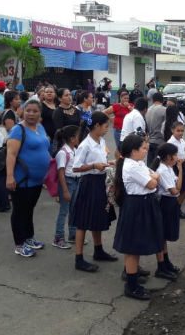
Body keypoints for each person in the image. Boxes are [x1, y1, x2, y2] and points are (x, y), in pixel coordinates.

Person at [113, 134, 163, 300]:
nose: (146, 150)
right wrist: (154, 177)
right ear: (133, 151)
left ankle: (132, 272)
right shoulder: (132, 166)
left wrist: (153, 177)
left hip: (143, 204)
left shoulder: (138, 162)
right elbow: (152, 182)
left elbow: (154, 175)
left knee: (137, 243)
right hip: (136, 206)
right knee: (132, 247)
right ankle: (132, 285)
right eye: (143, 148)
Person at [71, 112, 117, 272]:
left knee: (97, 217)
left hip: (100, 182)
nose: (107, 129)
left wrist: (107, 163)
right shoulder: (85, 144)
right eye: (105, 126)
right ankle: (79, 258)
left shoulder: (100, 140)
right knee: (83, 221)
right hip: (89, 183)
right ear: (96, 126)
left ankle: (98, 250)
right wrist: (93, 166)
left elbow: (100, 161)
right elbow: (75, 167)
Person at [6, 100, 51, 257]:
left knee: (29, 209)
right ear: (23, 112)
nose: (31, 114)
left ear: (40, 113)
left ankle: (29, 237)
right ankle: (19, 243)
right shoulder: (18, 130)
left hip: (37, 180)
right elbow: (11, 154)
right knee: (19, 211)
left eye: (34, 111)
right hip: (22, 179)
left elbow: (44, 147)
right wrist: (10, 176)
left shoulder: (40, 127)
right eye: (28, 111)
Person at [151, 142, 183, 280]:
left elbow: (177, 187)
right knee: (161, 235)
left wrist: (179, 172)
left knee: (165, 235)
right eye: (175, 154)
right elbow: (175, 190)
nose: (177, 157)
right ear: (169, 157)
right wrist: (180, 171)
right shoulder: (163, 170)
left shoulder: (169, 168)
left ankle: (166, 262)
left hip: (170, 203)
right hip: (165, 203)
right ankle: (161, 266)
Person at [52, 125, 80, 249]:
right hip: (67, 183)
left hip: (75, 181)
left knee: (74, 209)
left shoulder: (74, 149)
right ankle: (58, 237)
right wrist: (64, 191)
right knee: (64, 211)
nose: (79, 138)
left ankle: (73, 235)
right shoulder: (63, 153)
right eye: (78, 135)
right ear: (72, 138)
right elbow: (61, 173)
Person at [167, 121, 185, 214]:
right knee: (178, 189)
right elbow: (169, 158)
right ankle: (175, 209)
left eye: (182, 131)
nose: (181, 133)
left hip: (182, 165)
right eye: (178, 131)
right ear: (172, 130)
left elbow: (183, 155)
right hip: (175, 167)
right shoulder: (170, 143)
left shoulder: (182, 141)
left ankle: (177, 207)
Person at [145, 92, 166, 165]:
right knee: (159, 168)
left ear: (153, 100)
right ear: (162, 100)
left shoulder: (147, 110)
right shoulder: (164, 110)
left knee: (150, 168)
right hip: (160, 141)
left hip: (150, 142)